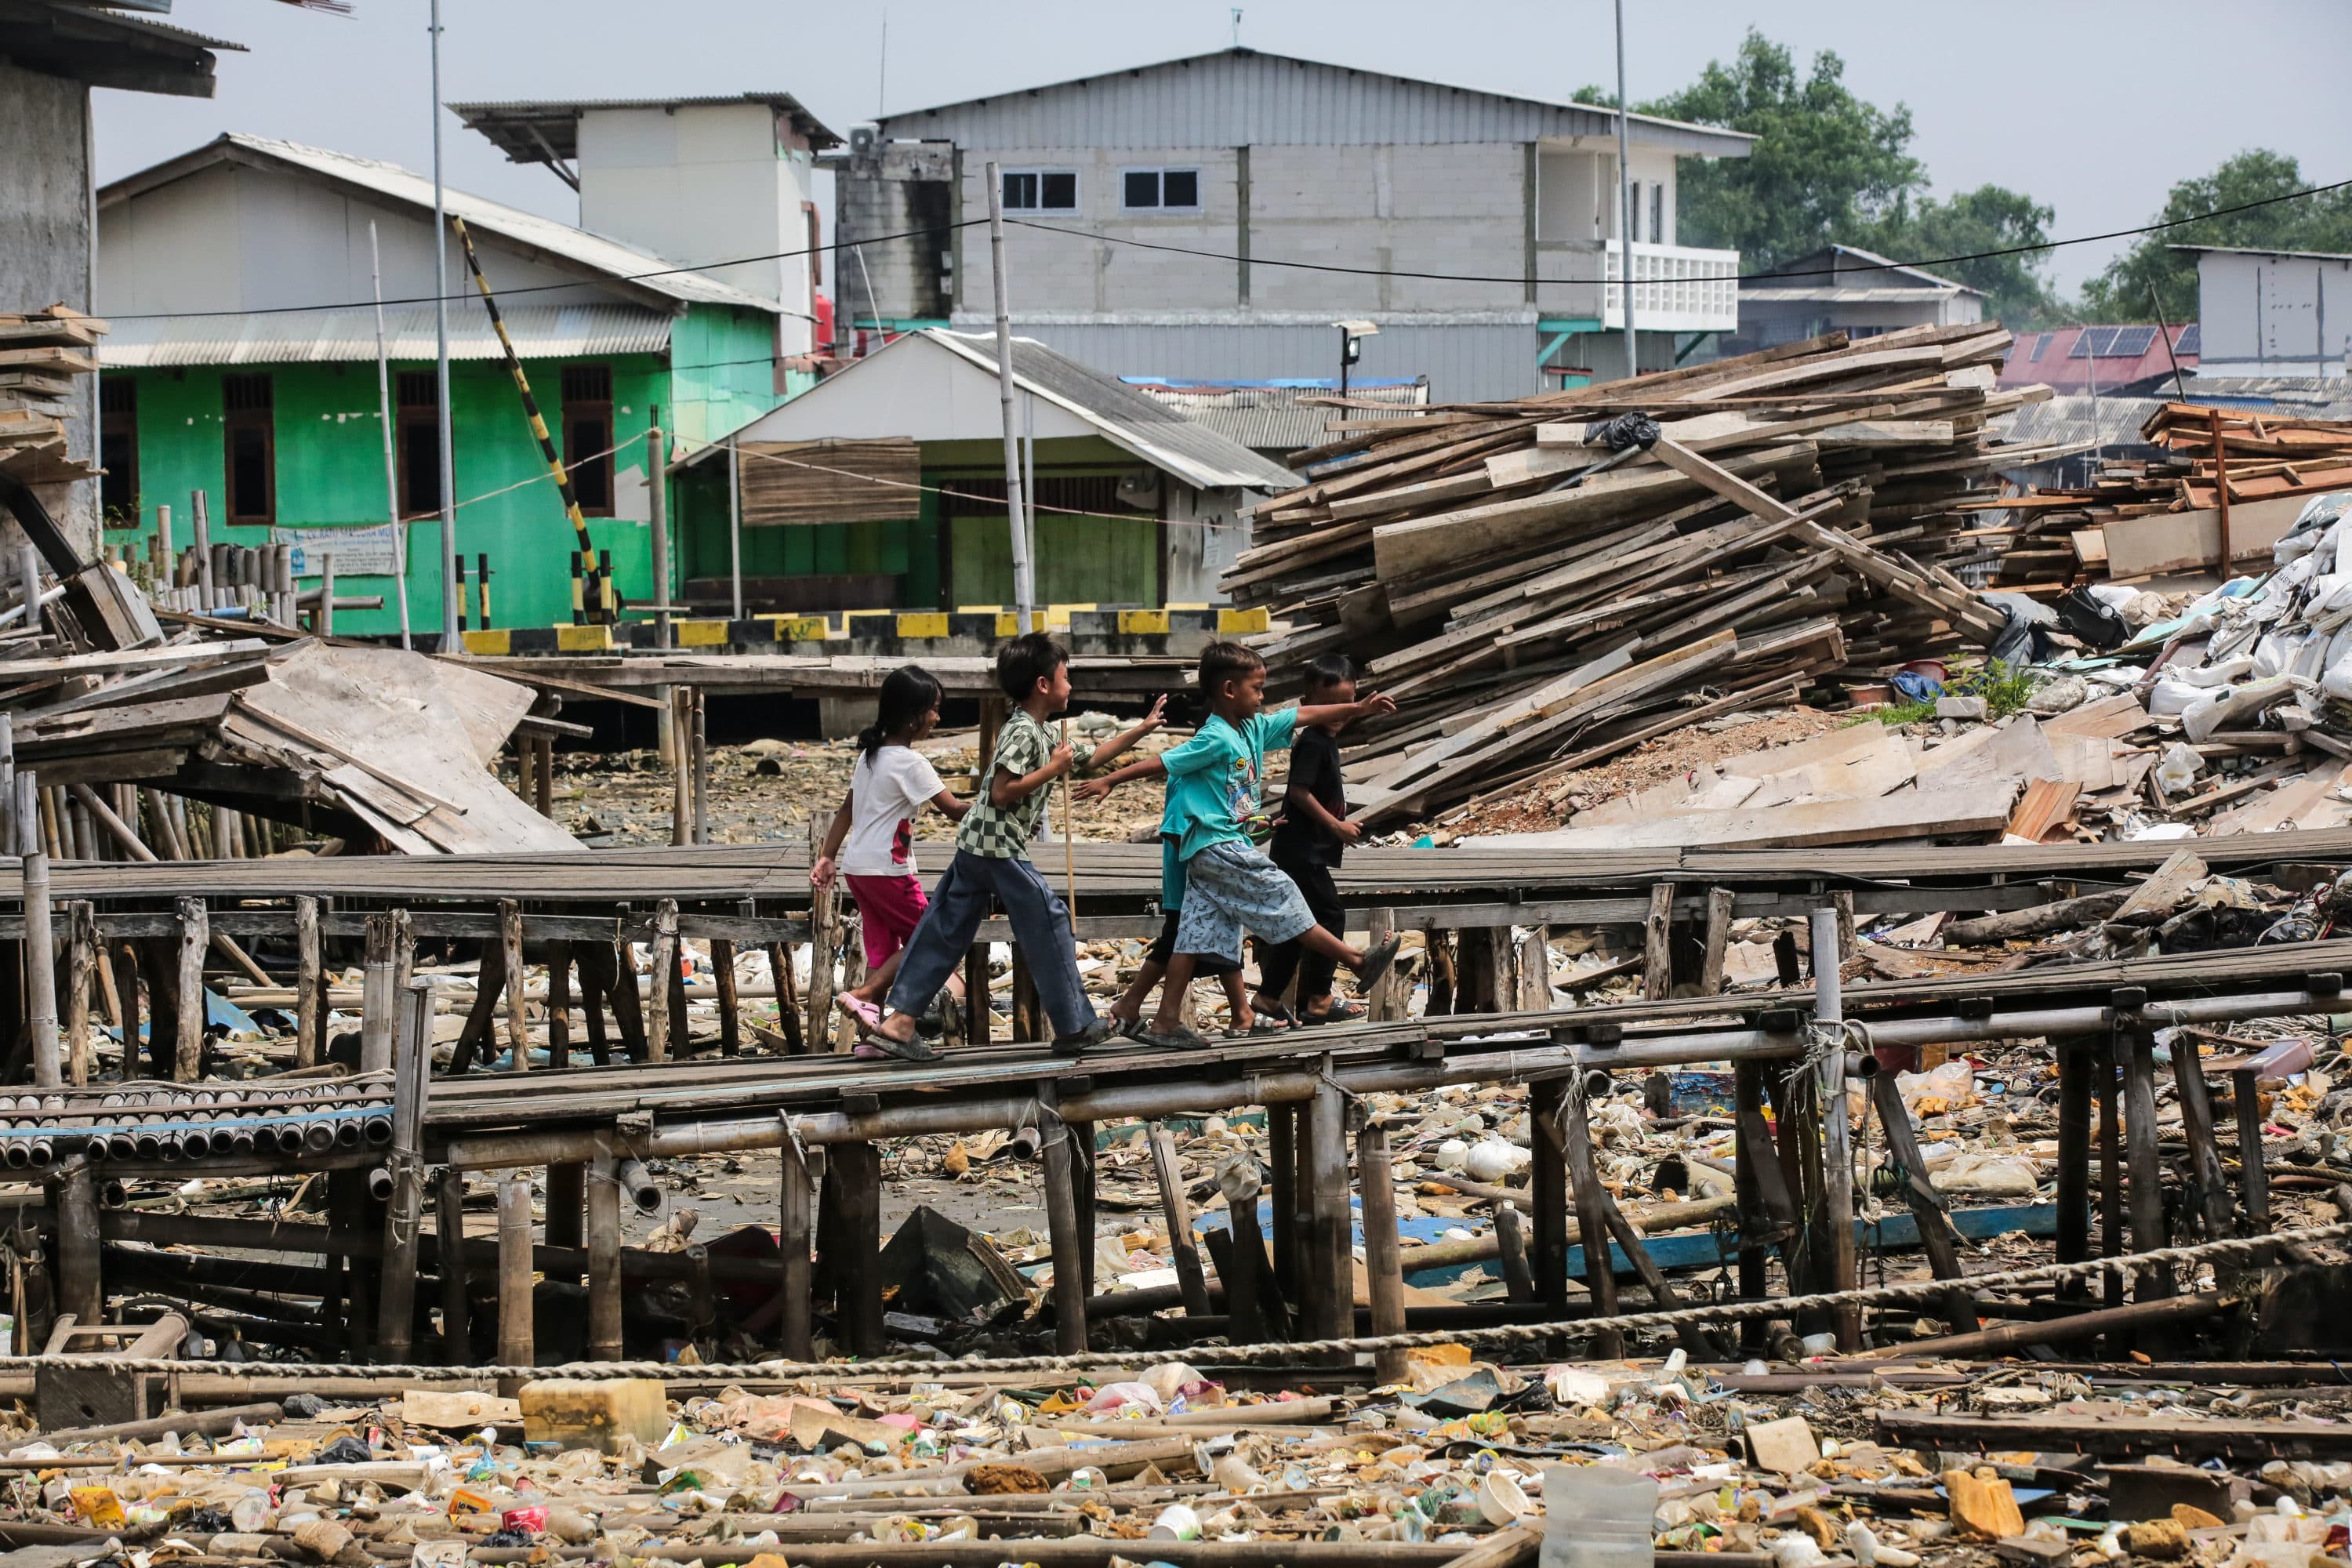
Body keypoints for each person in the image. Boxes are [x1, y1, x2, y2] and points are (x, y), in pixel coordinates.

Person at [1077, 641, 1399, 1050]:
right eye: (1257, 689)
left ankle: (1166, 1021)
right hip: (1216, 844)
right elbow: (1164, 762)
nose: (1263, 697)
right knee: (1282, 891)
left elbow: (1303, 714)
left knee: (1196, 933)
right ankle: (1355, 960)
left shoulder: (1252, 729)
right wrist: (1110, 779)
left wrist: (1358, 709)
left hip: (1216, 845)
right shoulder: (1215, 737)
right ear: (1230, 690)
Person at [862, 632, 1164, 1062]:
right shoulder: (1022, 731)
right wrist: (1053, 770)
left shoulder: (1044, 732)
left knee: (944, 931)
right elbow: (1003, 791)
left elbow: (1094, 756)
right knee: (1051, 920)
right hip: (998, 845)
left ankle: (899, 1022)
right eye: (1065, 677)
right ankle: (1075, 1025)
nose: (1070, 686)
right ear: (1043, 684)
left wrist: (1142, 729)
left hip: (974, 845)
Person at [808, 664, 967, 1035]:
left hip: (858, 868)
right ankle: (864, 994)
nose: (937, 718)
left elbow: (847, 809)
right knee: (931, 935)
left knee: (880, 952)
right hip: (888, 871)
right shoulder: (912, 763)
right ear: (913, 717)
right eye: (933, 709)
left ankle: (870, 1037)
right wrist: (1001, 806)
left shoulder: (871, 756)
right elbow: (954, 810)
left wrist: (827, 856)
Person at [1254, 653, 1364, 1026]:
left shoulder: (1325, 740)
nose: (1336, 713)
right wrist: (1336, 826)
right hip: (1302, 851)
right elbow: (1298, 792)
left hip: (1304, 850)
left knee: (1298, 924)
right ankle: (1319, 997)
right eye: (1327, 705)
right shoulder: (1314, 741)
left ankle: (1269, 996)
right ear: (1307, 705)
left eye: (1344, 704)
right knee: (1330, 915)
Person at [1104, 838, 1271, 1040]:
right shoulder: (1186, 816)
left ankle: (1241, 1012)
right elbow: (1177, 833)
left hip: (1208, 881)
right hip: (1193, 885)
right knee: (1179, 942)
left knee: (1221, 939)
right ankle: (1140, 1008)